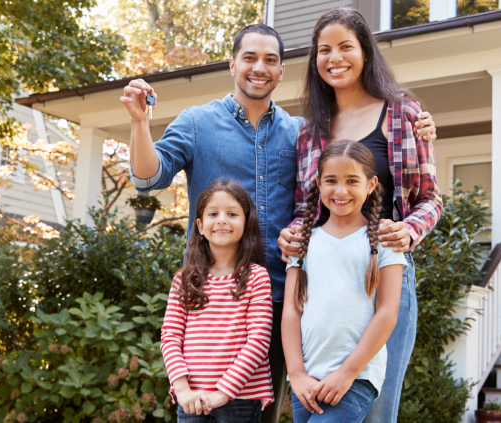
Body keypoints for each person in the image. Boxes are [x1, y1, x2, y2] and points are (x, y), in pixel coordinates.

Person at [121, 23, 437, 423]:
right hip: (221, 303)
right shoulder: (198, 123)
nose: (259, 68)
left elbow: (338, 188)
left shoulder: (300, 132)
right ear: (232, 63)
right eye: (250, 57)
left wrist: (420, 130)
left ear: (282, 70)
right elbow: (149, 178)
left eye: (271, 60)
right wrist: (138, 123)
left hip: (291, 296)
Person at [278, 8, 442, 423]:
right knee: (320, 398)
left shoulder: (404, 115)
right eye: (324, 50)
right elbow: (306, 208)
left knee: (378, 410)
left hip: (382, 273)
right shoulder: (310, 131)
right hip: (326, 280)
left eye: (346, 47)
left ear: (365, 51)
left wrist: (407, 231)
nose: (335, 58)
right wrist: (293, 234)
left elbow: (431, 198)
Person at [283, 140, 407, 423]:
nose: (340, 191)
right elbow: (292, 312)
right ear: (318, 182)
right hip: (307, 381)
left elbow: (387, 313)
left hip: (355, 378)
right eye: (331, 180)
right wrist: (297, 374)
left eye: (352, 180)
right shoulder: (302, 242)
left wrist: (348, 372)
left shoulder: (385, 241)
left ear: (371, 184)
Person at [161, 179, 274, 422]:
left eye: (232, 214)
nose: (222, 219)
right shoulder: (185, 279)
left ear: (246, 223)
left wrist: (223, 392)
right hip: (191, 399)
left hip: (239, 399)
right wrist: (181, 389)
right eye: (213, 213)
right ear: (200, 225)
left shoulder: (257, 277)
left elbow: (259, 340)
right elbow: (170, 336)